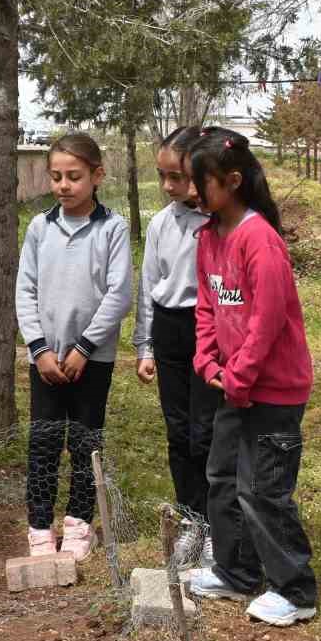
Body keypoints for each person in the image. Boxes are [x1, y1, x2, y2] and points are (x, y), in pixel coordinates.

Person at [186, 127, 319, 627]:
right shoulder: (207, 238)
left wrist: (238, 375)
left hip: (272, 391)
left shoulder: (260, 240)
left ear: (233, 181)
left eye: (199, 182)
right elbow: (206, 307)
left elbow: (266, 322)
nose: (191, 192)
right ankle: (235, 570)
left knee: (263, 490)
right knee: (222, 478)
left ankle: (296, 589)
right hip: (231, 384)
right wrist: (208, 363)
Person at [15, 132, 133, 562]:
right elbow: (24, 291)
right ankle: (40, 527)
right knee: (43, 442)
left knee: (85, 441)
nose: (64, 185)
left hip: (92, 360)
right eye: (56, 177)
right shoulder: (39, 228)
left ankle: (80, 524)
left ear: (97, 176)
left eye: (74, 176)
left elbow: (119, 295)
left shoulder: (112, 228)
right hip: (45, 360)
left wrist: (84, 347)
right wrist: (39, 349)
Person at [132, 125, 218, 567]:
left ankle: (217, 526)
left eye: (177, 177)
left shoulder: (220, 223)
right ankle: (192, 519)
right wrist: (144, 346)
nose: (168, 186)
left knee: (207, 432)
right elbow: (149, 286)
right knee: (178, 430)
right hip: (169, 331)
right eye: (162, 176)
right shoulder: (162, 223)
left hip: (210, 331)